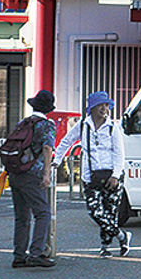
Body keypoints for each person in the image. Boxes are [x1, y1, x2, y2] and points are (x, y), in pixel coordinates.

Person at [53, 91, 130, 257]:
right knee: (95, 212)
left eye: (106, 105)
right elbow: (66, 141)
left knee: (110, 212)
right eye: (100, 105)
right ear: (92, 108)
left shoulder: (113, 127)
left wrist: (116, 175)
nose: (104, 109)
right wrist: (57, 160)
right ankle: (122, 236)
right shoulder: (83, 125)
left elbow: (119, 153)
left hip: (112, 174)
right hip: (90, 176)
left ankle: (105, 247)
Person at [9, 90, 57, 269]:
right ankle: (36, 253)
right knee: (43, 212)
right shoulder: (46, 125)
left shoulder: (23, 123)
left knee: (21, 217)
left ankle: (19, 255)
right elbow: (47, 148)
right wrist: (46, 173)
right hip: (32, 174)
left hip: (15, 173)